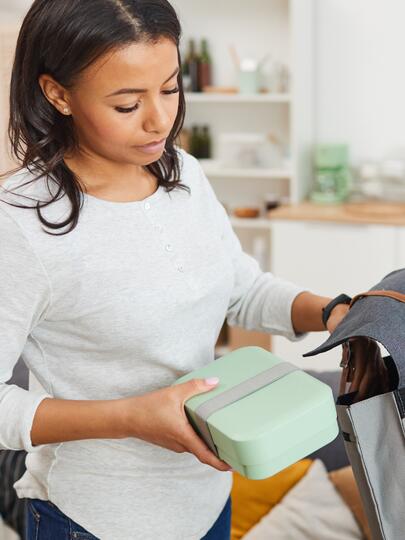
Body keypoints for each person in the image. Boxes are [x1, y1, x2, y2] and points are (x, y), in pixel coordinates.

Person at [0, 1, 349, 539]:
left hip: (208, 500)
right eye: (126, 104)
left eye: (169, 88)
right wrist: (130, 417)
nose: (160, 120)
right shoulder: (19, 223)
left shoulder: (180, 172)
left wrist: (333, 312)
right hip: (98, 519)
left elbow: (239, 287)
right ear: (57, 93)